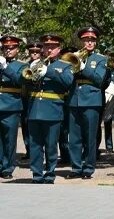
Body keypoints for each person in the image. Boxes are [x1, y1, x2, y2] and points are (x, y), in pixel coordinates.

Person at [26, 34, 74, 184]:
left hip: (53, 111)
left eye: (52, 47)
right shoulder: (34, 64)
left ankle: (50, 173)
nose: (49, 50)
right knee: (35, 145)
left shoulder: (65, 66)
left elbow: (68, 82)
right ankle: (36, 174)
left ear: (58, 49)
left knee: (51, 145)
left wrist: (50, 72)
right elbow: (25, 85)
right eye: (46, 47)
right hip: (35, 109)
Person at [66, 27, 108, 180]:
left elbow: (99, 80)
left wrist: (83, 68)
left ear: (95, 42)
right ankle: (76, 168)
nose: (89, 42)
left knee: (90, 137)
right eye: (86, 40)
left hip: (91, 101)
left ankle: (88, 168)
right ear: (82, 41)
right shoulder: (73, 56)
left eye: (92, 40)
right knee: (74, 138)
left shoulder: (100, 59)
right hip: (74, 99)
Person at [0, 35, 28, 179]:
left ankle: (7, 168)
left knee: (9, 140)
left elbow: (20, 81)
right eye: (5, 48)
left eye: (11, 48)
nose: (8, 50)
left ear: (17, 49)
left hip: (11, 106)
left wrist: (5, 67)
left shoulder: (22, 65)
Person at [20, 41, 43, 159]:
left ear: (40, 53)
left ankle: (38, 151)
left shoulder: (44, 64)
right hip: (24, 98)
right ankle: (28, 150)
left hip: (36, 98)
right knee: (25, 124)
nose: (34, 54)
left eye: (37, 52)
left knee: (36, 126)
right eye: (32, 52)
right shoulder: (24, 65)